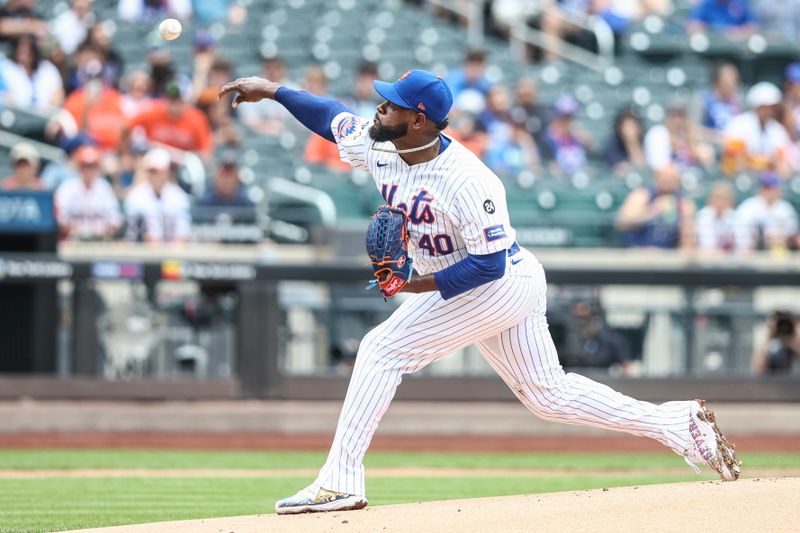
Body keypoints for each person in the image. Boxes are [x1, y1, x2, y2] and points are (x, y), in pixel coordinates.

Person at [220, 67, 741, 514]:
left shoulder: (470, 180)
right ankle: (679, 424)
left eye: (390, 105)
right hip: (489, 279)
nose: (378, 110)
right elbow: (328, 115)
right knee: (549, 395)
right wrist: (274, 89)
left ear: (418, 120)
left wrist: (410, 284)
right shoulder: (381, 146)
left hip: (499, 281)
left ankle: (340, 481)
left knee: (381, 350)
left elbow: (487, 266)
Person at [124, 80, 214, 163]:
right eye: (171, 99)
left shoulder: (196, 118)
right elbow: (126, 128)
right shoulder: (154, 111)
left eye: (177, 100)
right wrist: (126, 154)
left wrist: (186, 157)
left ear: (185, 101)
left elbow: (206, 154)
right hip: (156, 164)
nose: (173, 104)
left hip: (183, 165)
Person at [615, 163, 696, 249]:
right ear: (656, 178)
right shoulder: (642, 195)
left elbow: (688, 238)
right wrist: (652, 211)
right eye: (665, 178)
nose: (668, 182)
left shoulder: (684, 203)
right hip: (638, 250)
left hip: (668, 255)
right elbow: (622, 222)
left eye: (672, 179)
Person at [723, 82, 792, 178]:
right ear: (756, 106)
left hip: (768, 183)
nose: (769, 111)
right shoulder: (738, 124)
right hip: (741, 179)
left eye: (772, 107)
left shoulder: (778, 130)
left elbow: (783, 164)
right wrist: (766, 161)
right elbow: (735, 159)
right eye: (765, 107)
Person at [54, 145, 122, 240]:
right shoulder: (67, 188)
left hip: (100, 241)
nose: (89, 170)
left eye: (92, 166)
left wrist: (103, 231)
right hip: (73, 241)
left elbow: (116, 220)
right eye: (85, 166)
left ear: (98, 168)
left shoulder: (104, 188)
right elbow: (59, 219)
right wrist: (76, 230)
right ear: (79, 167)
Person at [124, 147, 191, 242]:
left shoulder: (178, 196)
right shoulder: (136, 196)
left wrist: (170, 254)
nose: (154, 175)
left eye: (157, 171)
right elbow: (135, 234)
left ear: (167, 172)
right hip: (142, 252)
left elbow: (182, 234)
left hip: (172, 253)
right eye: (151, 171)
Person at [734, 172, 799, 252]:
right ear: (760, 189)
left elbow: (792, 234)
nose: (770, 191)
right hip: (752, 252)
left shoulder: (785, 209)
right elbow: (739, 233)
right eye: (767, 188)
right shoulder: (748, 207)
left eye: (773, 187)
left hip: (779, 253)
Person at [0, 34, 64, 111]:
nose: (24, 57)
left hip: (46, 116)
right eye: (21, 52)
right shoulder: (8, 68)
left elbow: (58, 96)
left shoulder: (48, 69)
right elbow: (5, 96)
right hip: (16, 116)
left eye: (28, 53)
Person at [644, 103, 714, 171]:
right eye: (674, 117)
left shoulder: (691, 135)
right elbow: (659, 166)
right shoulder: (659, 134)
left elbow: (707, 160)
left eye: (681, 117)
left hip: (691, 177)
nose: (677, 121)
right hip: (669, 178)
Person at [543, 95, 592, 175]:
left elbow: (592, 159)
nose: (566, 121)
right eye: (563, 116)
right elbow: (546, 163)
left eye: (569, 117)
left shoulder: (579, 137)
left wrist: (587, 143)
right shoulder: (547, 139)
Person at [701, 62, 743, 138]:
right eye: (728, 81)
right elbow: (693, 128)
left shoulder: (738, 102)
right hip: (711, 144)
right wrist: (718, 136)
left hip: (734, 145)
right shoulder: (704, 99)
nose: (732, 85)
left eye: (735, 81)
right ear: (718, 81)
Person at [695, 181, 737, 252]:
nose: (720, 203)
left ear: (731, 202)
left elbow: (741, 245)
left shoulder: (734, 216)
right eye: (717, 198)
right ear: (710, 200)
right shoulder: (703, 216)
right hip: (706, 259)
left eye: (725, 200)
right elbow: (707, 246)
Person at [602, 108, 646, 173]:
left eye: (632, 126)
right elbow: (620, 169)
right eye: (626, 126)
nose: (630, 130)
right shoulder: (613, 148)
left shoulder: (647, 145)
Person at [687, 0, 757, 37]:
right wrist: (720, 32)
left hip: (738, 49)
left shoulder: (740, 2)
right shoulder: (706, 3)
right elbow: (693, 27)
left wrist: (740, 32)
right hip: (712, 49)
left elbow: (753, 26)